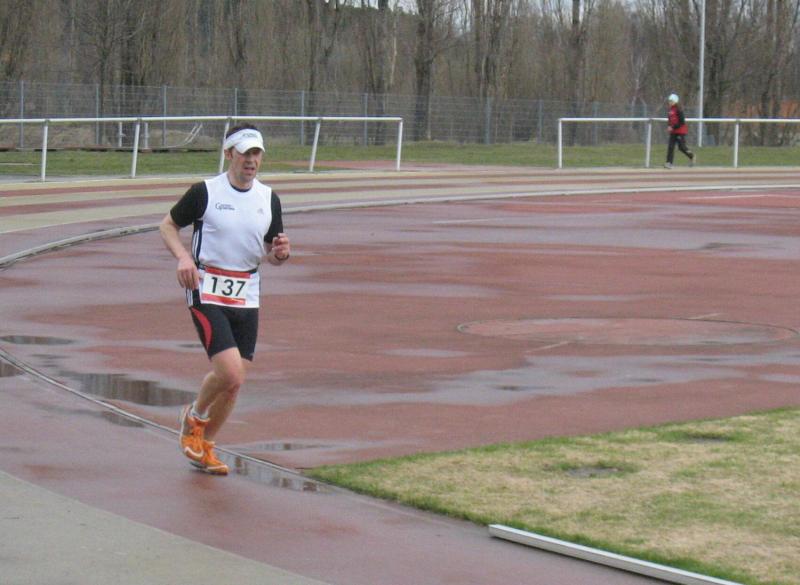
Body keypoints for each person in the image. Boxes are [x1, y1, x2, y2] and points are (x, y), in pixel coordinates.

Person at [159, 124, 290, 475]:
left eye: (257, 153)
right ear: (229, 154)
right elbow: (167, 226)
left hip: (246, 292)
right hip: (205, 287)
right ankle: (194, 416)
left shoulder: (269, 198)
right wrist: (183, 258)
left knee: (234, 383)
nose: (251, 160)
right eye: (245, 153)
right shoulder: (205, 192)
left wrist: (280, 254)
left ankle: (205, 446)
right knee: (229, 371)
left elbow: (272, 254)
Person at [664, 93, 695, 169]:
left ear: (675, 101)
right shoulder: (670, 110)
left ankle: (691, 156)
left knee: (681, 147)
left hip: (680, 131)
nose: (670, 102)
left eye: (671, 101)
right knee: (670, 147)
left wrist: (673, 127)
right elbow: (670, 120)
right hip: (673, 132)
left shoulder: (679, 110)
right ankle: (669, 163)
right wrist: (669, 126)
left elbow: (682, 122)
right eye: (669, 101)